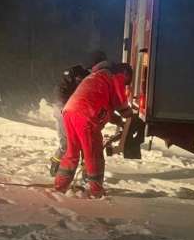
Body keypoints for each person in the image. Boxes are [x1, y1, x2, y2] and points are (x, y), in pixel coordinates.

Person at [54, 61, 133, 198]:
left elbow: (100, 102)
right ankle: (96, 191)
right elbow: (119, 100)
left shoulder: (97, 76)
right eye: (127, 82)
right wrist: (128, 113)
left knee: (71, 152)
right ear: (125, 73)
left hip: (70, 111)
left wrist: (117, 119)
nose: (125, 85)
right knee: (94, 154)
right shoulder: (116, 75)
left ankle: (60, 186)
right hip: (86, 115)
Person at [48, 50, 108, 176]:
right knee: (67, 143)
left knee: (86, 145)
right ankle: (56, 166)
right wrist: (64, 108)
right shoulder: (75, 73)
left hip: (80, 113)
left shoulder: (96, 77)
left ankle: (86, 173)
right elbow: (60, 92)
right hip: (64, 110)